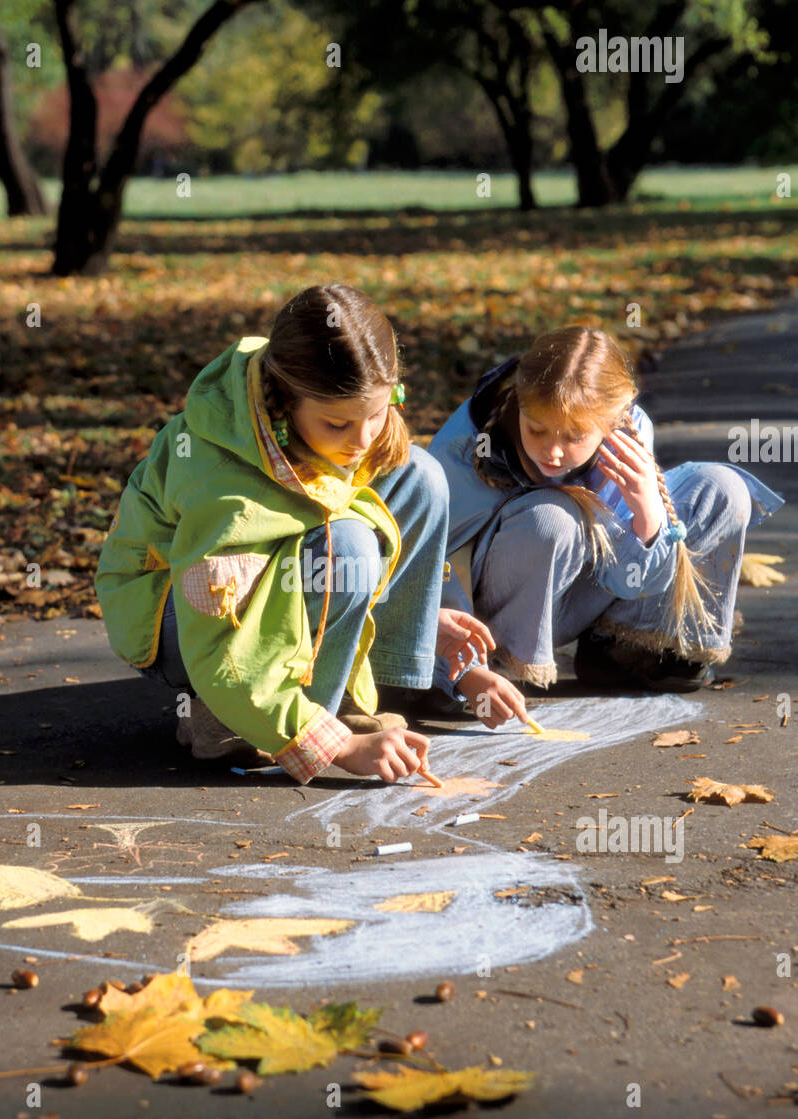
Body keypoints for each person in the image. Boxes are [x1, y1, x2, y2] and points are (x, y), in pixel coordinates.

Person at [94, 284, 526, 784]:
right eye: (337, 424)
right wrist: (334, 745)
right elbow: (215, 646)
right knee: (347, 549)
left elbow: (347, 496)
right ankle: (248, 717)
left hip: (271, 585)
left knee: (419, 476)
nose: (361, 440)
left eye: (377, 413)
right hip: (178, 625)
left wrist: (420, 625)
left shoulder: (332, 408)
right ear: (285, 402)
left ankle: (367, 686)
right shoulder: (226, 492)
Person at [427, 325, 784, 697]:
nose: (552, 451)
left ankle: (631, 648)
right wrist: (463, 671)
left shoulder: (627, 429)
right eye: (537, 430)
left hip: (577, 597)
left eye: (574, 437)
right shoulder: (470, 448)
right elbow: (431, 569)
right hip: (486, 620)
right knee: (552, 517)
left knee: (721, 488)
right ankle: (508, 664)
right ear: (520, 398)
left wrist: (649, 517)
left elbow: (628, 578)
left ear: (613, 419)